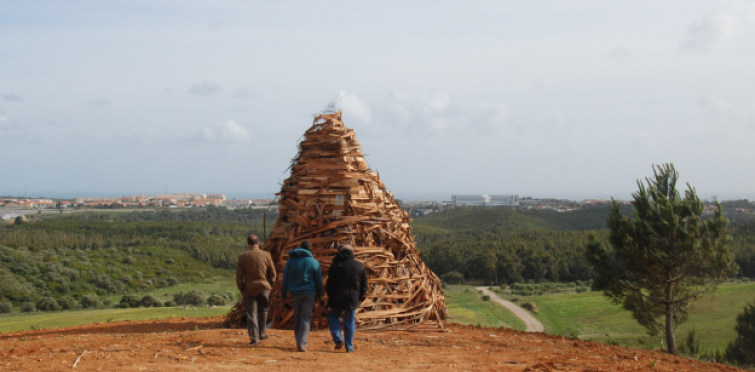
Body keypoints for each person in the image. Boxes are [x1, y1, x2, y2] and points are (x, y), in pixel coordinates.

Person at [280, 240, 323, 352]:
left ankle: (299, 341)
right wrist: (319, 294)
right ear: (310, 250)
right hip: (309, 293)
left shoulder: (291, 262)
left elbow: (285, 279)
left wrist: (283, 293)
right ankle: (302, 342)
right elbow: (319, 281)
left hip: (295, 294)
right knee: (305, 318)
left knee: (298, 318)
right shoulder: (314, 262)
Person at [326, 244, 368, 353]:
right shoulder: (359, 265)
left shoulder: (335, 265)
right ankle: (349, 347)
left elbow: (330, 284)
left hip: (337, 297)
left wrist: (330, 295)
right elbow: (364, 285)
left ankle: (338, 339)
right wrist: (360, 298)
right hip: (353, 298)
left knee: (332, 316)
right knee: (349, 321)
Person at [236, 234, 276, 346]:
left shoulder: (243, 256)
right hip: (264, 287)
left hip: (249, 288)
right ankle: (262, 333)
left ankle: (254, 339)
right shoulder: (266, 255)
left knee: (251, 313)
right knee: (263, 310)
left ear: (248, 244)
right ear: (258, 244)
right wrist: (270, 285)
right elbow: (273, 273)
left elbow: (239, 277)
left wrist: (242, 288)